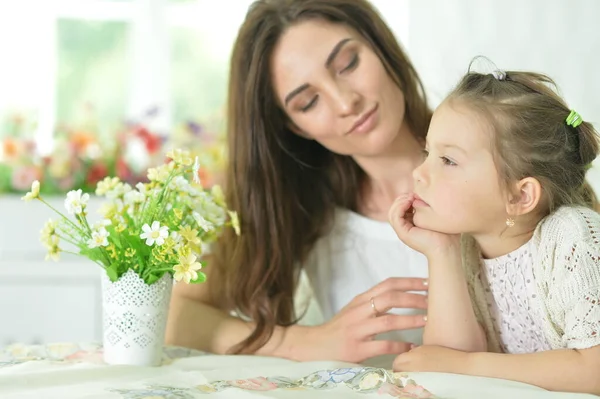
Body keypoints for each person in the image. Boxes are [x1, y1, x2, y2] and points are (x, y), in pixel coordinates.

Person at [166, 0, 432, 365]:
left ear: (379, 44)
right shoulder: (308, 204)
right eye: (308, 102)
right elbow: (174, 316)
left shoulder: (492, 151)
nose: (345, 102)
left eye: (348, 64)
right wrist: (303, 343)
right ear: (294, 127)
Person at [389, 65, 600, 394]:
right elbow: (444, 363)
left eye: (448, 160)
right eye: (428, 153)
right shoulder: (466, 245)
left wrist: (467, 366)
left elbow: (594, 371)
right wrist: (441, 252)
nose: (418, 172)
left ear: (520, 195)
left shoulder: (572, 237)